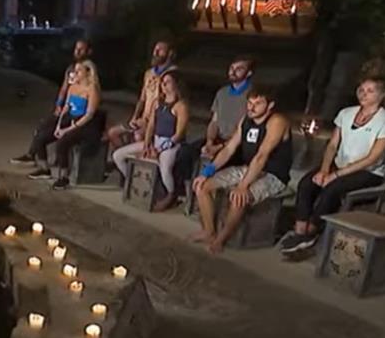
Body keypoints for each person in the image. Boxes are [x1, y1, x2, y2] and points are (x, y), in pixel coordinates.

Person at [280, 78, 385, 255]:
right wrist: (324, 170)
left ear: (381, 95)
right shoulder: (346, 113)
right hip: (339, 164)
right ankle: (299, 230)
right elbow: (332, 145)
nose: (364, 94)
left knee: (332, 189)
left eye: (370, 91)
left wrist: (336, 175)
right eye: (362, 89)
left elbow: (372, 158)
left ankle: (312, 231)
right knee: (307, 183)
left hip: (367, 171)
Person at [191, 86, 293, 254]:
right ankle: (209, 231)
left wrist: (243, 186)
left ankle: (221, 239)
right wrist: (206, 172)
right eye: (249, 103)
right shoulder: (246, 120)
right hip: (249, 168)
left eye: (258, 104)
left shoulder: (277, 121)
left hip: (272, 174)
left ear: (270, 105)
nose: (251, 108)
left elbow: (262, 155)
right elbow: (229, 149)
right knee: (202, 186)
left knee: (239, 197)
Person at [170, 56, 255, 202]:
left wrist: (219, 147)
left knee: (221, 162)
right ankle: (184, 193)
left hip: (238, 143)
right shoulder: (222, 93)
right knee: (185, 152)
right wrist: (209, 142)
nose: (233, 72)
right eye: (232, 68)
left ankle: (215, 199)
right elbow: (214, 121)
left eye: (239, 69)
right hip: (218, 138)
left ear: (249, 73)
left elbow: (245, 130)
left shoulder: (252, 96)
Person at [21, 61, 105, 190]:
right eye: (75, 70)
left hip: (84, 124)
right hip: (69, 118)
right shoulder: (73, 87)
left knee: (62, 143)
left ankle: (63, 177)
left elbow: (89, 115)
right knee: (41, 136)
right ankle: (44, 169)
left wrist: (68, 129)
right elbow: (66, 107)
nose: (75, 73)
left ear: (88, 73)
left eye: (79, 71)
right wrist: (59, 126)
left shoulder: (92, 89)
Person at [113, 70, 190, 207]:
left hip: (171, 144)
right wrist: (147, 145)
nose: (163, 85)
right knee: (118, 155)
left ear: (176, 84)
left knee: (165, 166)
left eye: (167, 82)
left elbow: (179, 134)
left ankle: (171, 194)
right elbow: (151, 126)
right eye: (163, 82)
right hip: (155, 141)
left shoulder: (181, 106)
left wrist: (159, 149)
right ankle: (133, 181)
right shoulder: (157, 102)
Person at [12, 39, 94, 165]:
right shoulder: (70, 69)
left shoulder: (89, 70)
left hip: (77, 111)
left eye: (81, 49)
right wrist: (59, 104)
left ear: (89, 51)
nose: (77, 52)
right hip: (67, 107)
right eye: (76, 48)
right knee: (42, 127)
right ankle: (33, 155)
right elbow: (64, 88)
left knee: (48, 131)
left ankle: (38, 158)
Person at [105, 41, 177, 153]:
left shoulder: (172, 76)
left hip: (157, 122)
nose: (156, 52)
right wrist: (134, 117)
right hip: (142, 119)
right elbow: (142, 99)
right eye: (155, 49)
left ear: (170, 53)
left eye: (160, 50)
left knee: (138, 136)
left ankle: (135, 158)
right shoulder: (149, 73)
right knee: (113, 133)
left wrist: (148, 122)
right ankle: (125, 158)